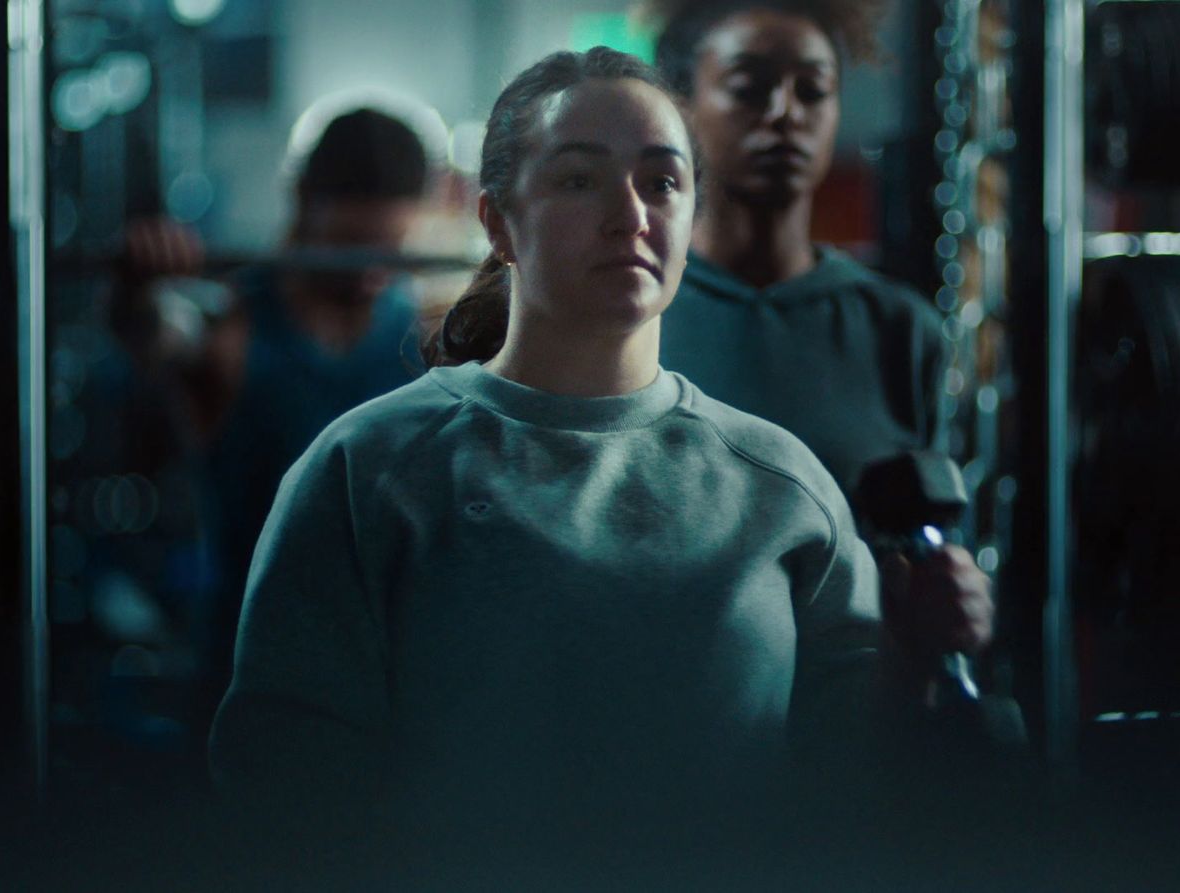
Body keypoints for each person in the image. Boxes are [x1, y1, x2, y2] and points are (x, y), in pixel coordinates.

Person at [208, 47, 981, 869]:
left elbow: (855, 788)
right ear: (499, 222)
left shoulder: (783, 487)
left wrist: (915, 656)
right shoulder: (369, 469)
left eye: (663, 181)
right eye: (580, 180)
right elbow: (282, 793)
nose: (631, 214)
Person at [649, 0, 994, 661]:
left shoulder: (898, 328)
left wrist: (960, 603)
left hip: (854, 728)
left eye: (814, 90)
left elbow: (936, 551)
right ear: (684, 107)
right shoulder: (634, 311)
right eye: (750, 88)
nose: (786, 113)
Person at [116, 108, 432, 693]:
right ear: (302, 200)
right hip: (256, 685)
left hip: (390, 689)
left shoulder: (423, 334)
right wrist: (138, 290)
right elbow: (153, 333)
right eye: (353, 245)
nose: (372, 270)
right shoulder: (232, 326)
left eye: (389, 245)